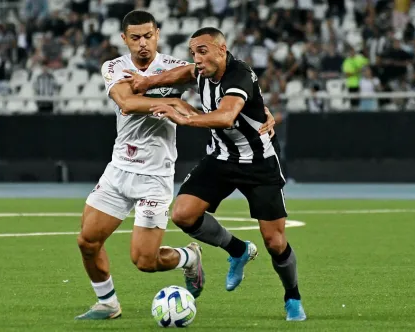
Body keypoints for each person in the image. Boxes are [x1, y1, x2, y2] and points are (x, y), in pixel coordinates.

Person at [75, 11, 274, 321]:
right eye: (135, 37)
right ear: (124, 39)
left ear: (158, 33)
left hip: (155, 176)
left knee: (144, 260)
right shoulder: (114, 67)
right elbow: (127, 103)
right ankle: (107, 303)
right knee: (87, 241)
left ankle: (187, 256)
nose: (143, 43)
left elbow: (232, 87)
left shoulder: (179, 68)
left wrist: (263, 112)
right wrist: (176, 104)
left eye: (148, 36)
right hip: (119, 168)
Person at [121, 27, 307, 321]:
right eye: (193, 53)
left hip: (258, 163)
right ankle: (238, 250)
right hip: (220, 158)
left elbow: (225, 116)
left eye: (203, 51)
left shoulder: (239, 75)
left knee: (274, 241)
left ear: (222, 49)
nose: (197, 59)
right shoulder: (201, 70)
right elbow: (181, 73)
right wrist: (148, 81)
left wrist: (182, 117)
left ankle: (292, 297)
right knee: (183, 214)